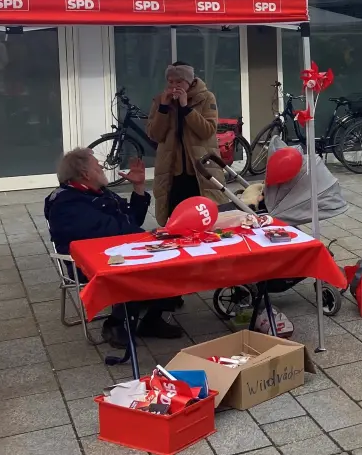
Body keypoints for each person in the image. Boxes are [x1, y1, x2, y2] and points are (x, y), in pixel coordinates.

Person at [45, 149, 183, 346]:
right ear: (85, 174)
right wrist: (154, 237)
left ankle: (151, 319)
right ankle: (115, 324)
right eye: (97, 165)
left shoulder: (96, 192)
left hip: (113, 251)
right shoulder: (67, 203)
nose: (102, 166)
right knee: (157, 262)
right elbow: (115, 231)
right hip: (87, 263)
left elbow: (131, 221)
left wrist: (138, 187)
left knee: (176, 257)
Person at [146, 63, 227, 225]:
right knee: (176, 217)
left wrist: (186, 108)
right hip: (172, 170)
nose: (174, 86)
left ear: (190, 82)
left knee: (204, 215)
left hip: (200, 169)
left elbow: (207, 130)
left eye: (179, 82)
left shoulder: (206, 97)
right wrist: (163, 108)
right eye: (170, 82)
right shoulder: (161, 101)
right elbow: (155, 135)